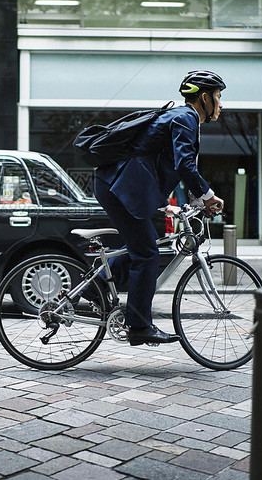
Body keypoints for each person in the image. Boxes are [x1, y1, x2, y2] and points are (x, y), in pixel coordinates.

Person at [93, 70, 226, 346]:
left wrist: (175, 206)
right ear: (204, 98)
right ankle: (139, 326)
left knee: (143, 247)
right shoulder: (186, 118)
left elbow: (154, 162)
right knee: (147, 254)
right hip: (118, 188)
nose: (221, 104)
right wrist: (209, 196)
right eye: (218, 96)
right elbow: (184, 165)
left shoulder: (181, 118)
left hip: (119, 186)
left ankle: (95, 287)